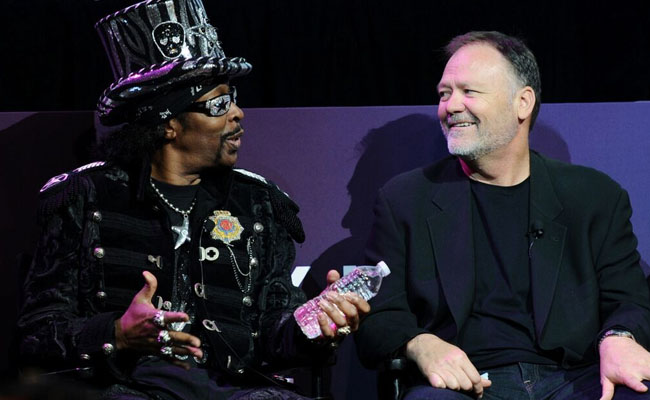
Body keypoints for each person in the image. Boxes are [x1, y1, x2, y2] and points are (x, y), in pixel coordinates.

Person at [17, 0, 369, 399]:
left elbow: (273, 334)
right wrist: (118, 332)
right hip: (125, 387)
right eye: (218, 104)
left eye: (233, 98)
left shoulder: (259, 204)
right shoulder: (85, 197)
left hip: (232, 391)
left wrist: (314, 324)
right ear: (168, 123)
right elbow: (37, 334)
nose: (238, 113)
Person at [355, 31, 650, 400]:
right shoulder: (405, 199)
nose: (450, 106)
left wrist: (620, 338)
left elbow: (631, 299)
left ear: (522, 103)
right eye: (444, 94)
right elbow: (377, 314)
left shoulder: (594, 196)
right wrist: (419, 343)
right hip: (467, 385)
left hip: (576, 378)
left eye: (469, 91)